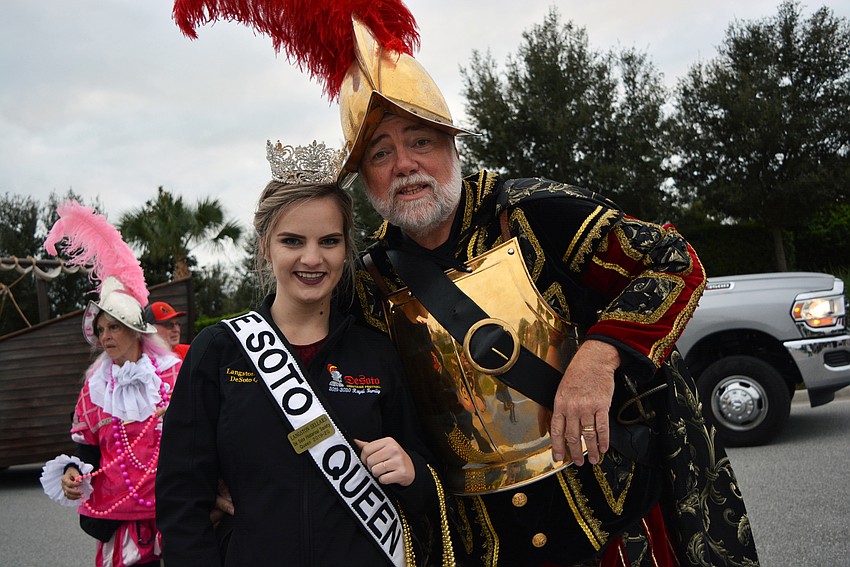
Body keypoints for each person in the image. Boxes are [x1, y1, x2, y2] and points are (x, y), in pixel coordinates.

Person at [170, 5, 758, 566]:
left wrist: (597, 359)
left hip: (613, 520)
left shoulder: (531, 212)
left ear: (452, 145)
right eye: (380, 153)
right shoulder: (369, 277)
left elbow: (673, 262)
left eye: (420, 141)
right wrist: (238, 472)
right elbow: (298, 350)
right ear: (364, 178)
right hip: (489, 547)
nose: (404, 164)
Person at [155, 141, 453, 567]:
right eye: (292, 241)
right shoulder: (218, 351)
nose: (312, 259)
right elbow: (181, 498)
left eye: (329, 241)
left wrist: (413, 472)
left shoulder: (377, 353)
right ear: (266, 246)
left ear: (346, 249)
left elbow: (431, 481)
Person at [39, 202, 181, 567]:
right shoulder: (95, 388)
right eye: (101, 330)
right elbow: (87, 450)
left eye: (114, 327)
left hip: (176, 512)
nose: (105, 336)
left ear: (135, 330)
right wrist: (72, 474)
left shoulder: (173, 373)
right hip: (119, 521)